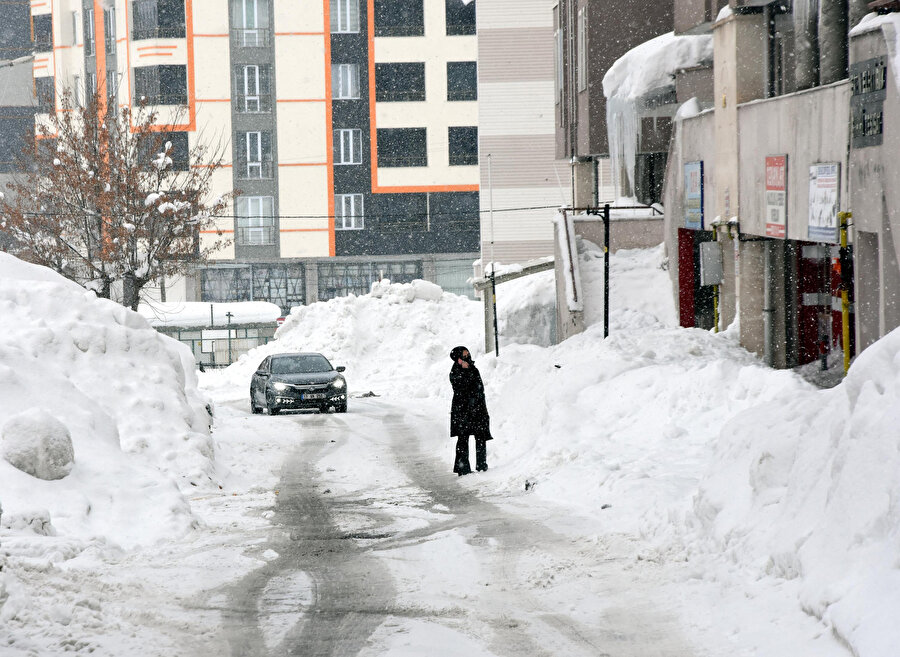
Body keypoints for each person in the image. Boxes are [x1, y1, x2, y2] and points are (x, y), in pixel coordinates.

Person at [449, 346, 493, 475]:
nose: (467, 355)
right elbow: (460, 389)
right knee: (463, 438)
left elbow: (479, 387)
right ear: (458, 357)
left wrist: (477, 401)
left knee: (480, 437)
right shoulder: (455, 372)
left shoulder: (474, 369)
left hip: (478, 409)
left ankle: (482, 465)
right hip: (462, 410)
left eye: (468, 353)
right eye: (464, 354)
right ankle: (463, 468)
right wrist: (465, 372)